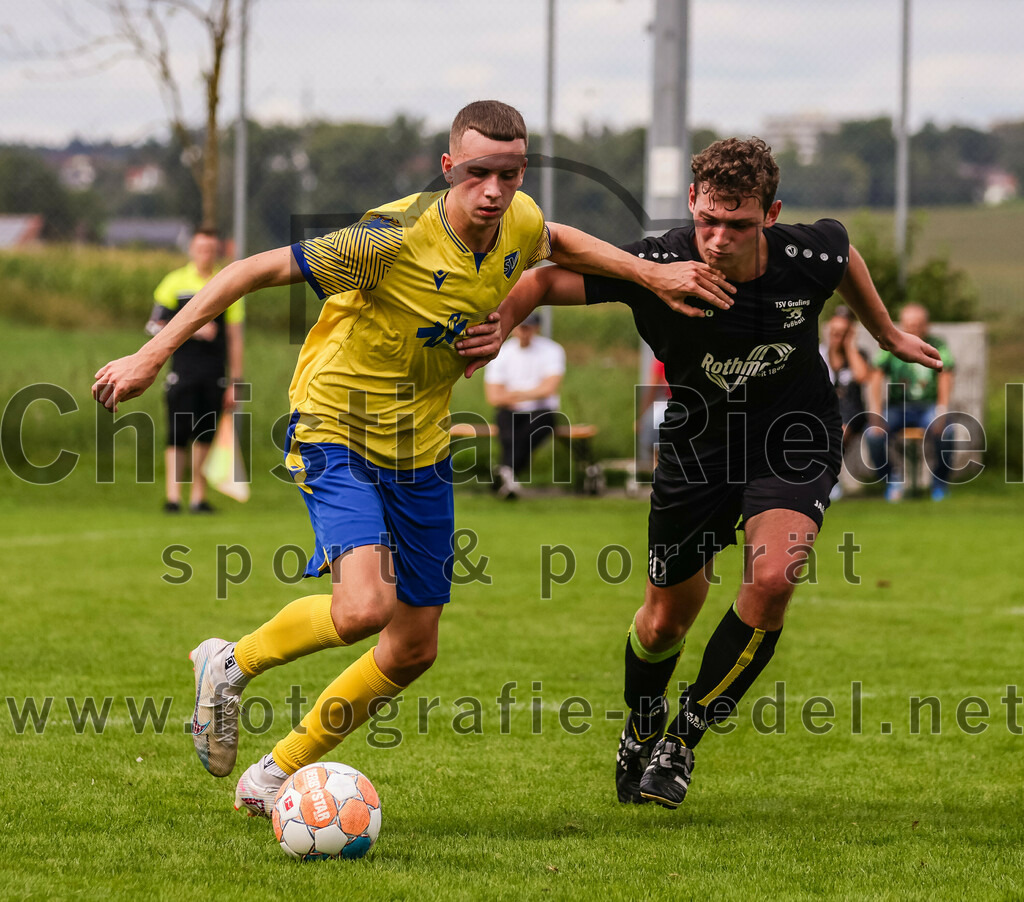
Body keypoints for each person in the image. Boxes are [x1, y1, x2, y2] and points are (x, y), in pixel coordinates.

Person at [92, 100, 734, 818]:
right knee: (365, 607)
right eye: (479, 173)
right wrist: (151, 354)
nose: (494, 190)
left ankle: (275, 773)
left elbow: (561, 242)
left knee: (412, 647)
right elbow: (246, 272)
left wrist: (645, 277)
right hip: (336, 425)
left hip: (421, 443)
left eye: (510, 174)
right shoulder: (386, 239)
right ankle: (231, 662)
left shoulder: (519, 221)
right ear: (448, 167)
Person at [463, 137, 942, 809]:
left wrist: (885, 332)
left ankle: (681, 740)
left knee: (772, 580)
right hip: (697, 450)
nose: (718, 239)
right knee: (664, 622)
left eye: (738, 225)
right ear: (692, 200)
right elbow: (542, 278)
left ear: (770, 214)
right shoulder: (657, 265)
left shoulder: (807, 255)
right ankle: (642, 724)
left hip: (793, 437)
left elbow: (845, 257)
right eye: (708, 220)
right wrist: (497, 327)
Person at [146, 229, 244, 513]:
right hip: (182, 369)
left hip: (214, 372)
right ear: (192, 249)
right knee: (178, 431)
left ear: (217, 251)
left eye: (211, 249)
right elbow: (153, 325)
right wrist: (193, 329)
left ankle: (198, 498)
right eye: (201, 248)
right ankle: (173, 497)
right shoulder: (174, 282)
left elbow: (235, 337)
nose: (206, 254)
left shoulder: (227, 283)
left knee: (205, 433)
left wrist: (236, 382)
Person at [867, 303, 956, 502]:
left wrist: (942, 410)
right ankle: (891, 480)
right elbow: (876, 375)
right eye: (909, 325)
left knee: (947, 431)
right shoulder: (892, 344)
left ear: (926, 325)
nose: (913, 329)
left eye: (917, 325)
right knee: (872, 434)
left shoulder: (937, 345)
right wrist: (876, 413)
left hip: (927, 407)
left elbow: (946, 374)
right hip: (898, 408)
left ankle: (939, 482)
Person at [483, 311, 566, 498]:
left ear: (536, 328)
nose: (524, 332)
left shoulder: (552, 350)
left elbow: (549, 389)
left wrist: (514, 394)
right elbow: (494, 397)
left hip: (541, 411)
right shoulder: (502, 353)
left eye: (528, 327)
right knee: (509, 435)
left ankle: (504, 473)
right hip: (510, 411)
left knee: (528, 434)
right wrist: (530, 393)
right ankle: (508, 478)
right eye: (521, 327)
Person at [819, 305, 871, 499]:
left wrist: (849, 346)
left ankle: (828, 479)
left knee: (837, 433)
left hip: (853, 414)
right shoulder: (820, 354)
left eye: (842, 333)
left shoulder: (858, 355)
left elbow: (863, 376)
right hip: (826, 412)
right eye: (834, 332)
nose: (837, 337)